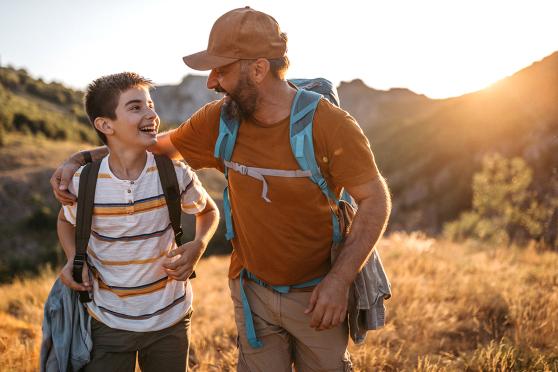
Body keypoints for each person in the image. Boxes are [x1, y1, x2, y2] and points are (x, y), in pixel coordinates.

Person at [52, 8, 391, 371]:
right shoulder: (219, 119)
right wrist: (81, 157)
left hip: (318, 293)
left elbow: (375, 199)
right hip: (252, 293)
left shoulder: (331, 125)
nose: (211, 82)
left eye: (222, 69)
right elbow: (147, 147)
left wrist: (340, 280)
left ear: (258, 69)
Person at [56, 72, 219, 372]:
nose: (151, 114)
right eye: (136, 107)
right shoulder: (85, 182)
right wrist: (72, 258)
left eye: (150, 104)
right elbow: (65, 220)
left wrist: (198, 245)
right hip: (108, 321)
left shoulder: (174, 172)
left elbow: (208, 211)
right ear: (105, 125)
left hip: (170, 319)